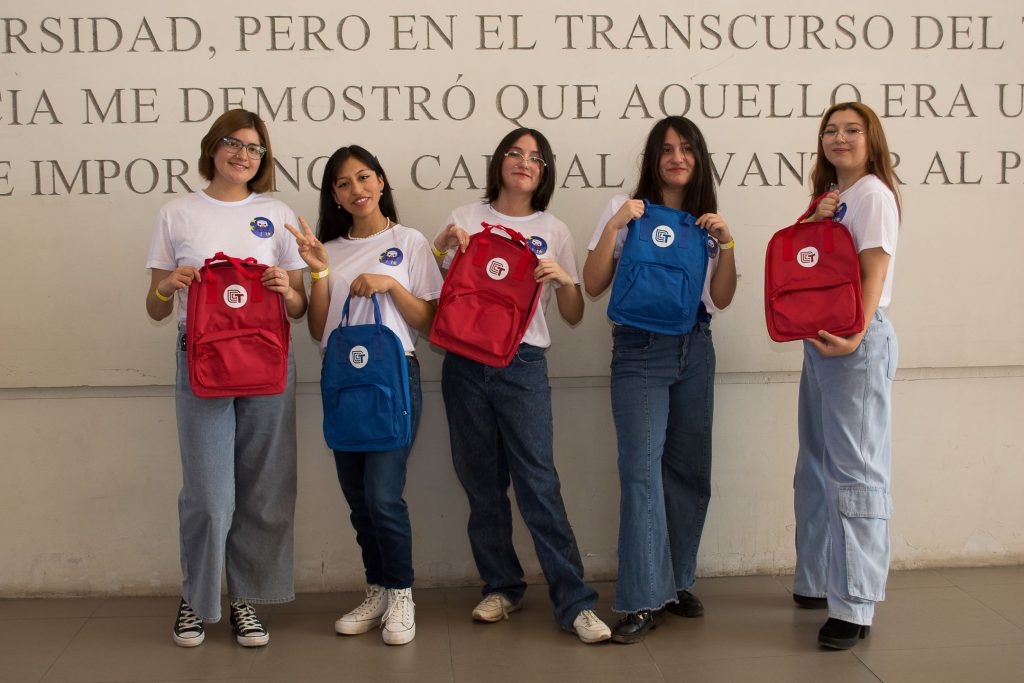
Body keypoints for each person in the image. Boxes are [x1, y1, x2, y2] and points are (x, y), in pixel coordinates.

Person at [431, 128, 612, 644]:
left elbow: (574, 313)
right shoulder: (466, 218)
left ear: (545, 170)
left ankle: (574, 601)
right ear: (500, 163)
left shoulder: (553, 229)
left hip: (524, 362)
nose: (524, 162)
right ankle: (502, 586)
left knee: (538, 482)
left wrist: (562, 280)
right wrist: (442, 248)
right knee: (481, 481)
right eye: (515, 153)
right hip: (464, 361)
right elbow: (441, 288)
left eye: (535, 157)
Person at [145, 109, 308, 648]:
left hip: (267, 362)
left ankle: (246, 600)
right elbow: (154, 306)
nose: (244, 154)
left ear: (264, 159)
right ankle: (196, 599)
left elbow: (301, 307)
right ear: (212, 148)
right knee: (210, 495)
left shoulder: (278, 213)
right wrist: (169, 284)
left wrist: (288, 287)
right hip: (202, 360)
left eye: (255, 148)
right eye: (234, 143)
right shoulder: (177, 213)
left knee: (263, 487)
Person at [582, 116, 737, 644]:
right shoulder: (626, 210)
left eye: (687, 148)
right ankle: (643, 598)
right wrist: (614, 227)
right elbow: (594, 283)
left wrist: (729, 245)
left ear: (699, 159)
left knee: (690, 471)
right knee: (642, 473)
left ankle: (675, 581)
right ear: (653, 158)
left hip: (696, 346)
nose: (677, 157)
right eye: (667, 149)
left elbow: (720, 298)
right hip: (640, 350)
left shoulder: (705, 222)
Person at [285, 145, 442, 646]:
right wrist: (318, 272)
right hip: (344, 381)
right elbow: (317, 327)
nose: (357, 190)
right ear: (334, 195)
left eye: (364, 177)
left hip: (395, 376)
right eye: (344, 184)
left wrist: (390, 288)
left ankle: (401, 594)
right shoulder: (327, 248)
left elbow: (431, 323)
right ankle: (376, 588)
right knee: (358, 499)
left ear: (380, 180)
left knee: (383, 495)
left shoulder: (410, 241)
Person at [791, 102, 900, 650]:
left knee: (855, 472)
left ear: (870, 139)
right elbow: (811, 264)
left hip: (854, 341)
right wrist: (815, 220)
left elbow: (874, 268)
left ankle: (855, 604)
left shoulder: (874, 193)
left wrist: (855, 333)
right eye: (831, 130)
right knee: (814, 466)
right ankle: (816, 578)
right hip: (823, 341)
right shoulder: (835, 199)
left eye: (852, 130)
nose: (840, 138)